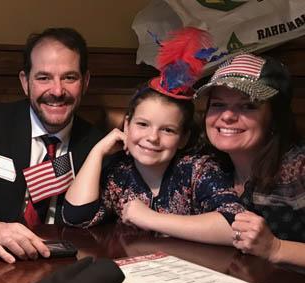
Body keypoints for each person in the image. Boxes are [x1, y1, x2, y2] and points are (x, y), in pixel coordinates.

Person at [0, 27, 104, 263]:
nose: (57, 91)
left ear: (85, 82)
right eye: (43, 77)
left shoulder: (97, 146)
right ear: (25, 82)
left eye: (69, 77)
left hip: (66, 268)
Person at [63, 27, 244, 244]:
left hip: (196, 272)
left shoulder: (198, 170)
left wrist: (150, 218)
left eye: (167, 130)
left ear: (184, 138)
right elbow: (76, 218)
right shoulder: (120, 173)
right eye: (143, 124)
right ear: (127, 125)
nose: (153, 137)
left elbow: (235, 227)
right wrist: (97, 152)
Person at [195, 53, 305, 267]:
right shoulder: (209, 165)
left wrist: (276, 248)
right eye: (217, 104)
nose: (227, 116)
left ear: (275, 117)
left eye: (248, 106)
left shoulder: (298, 168)